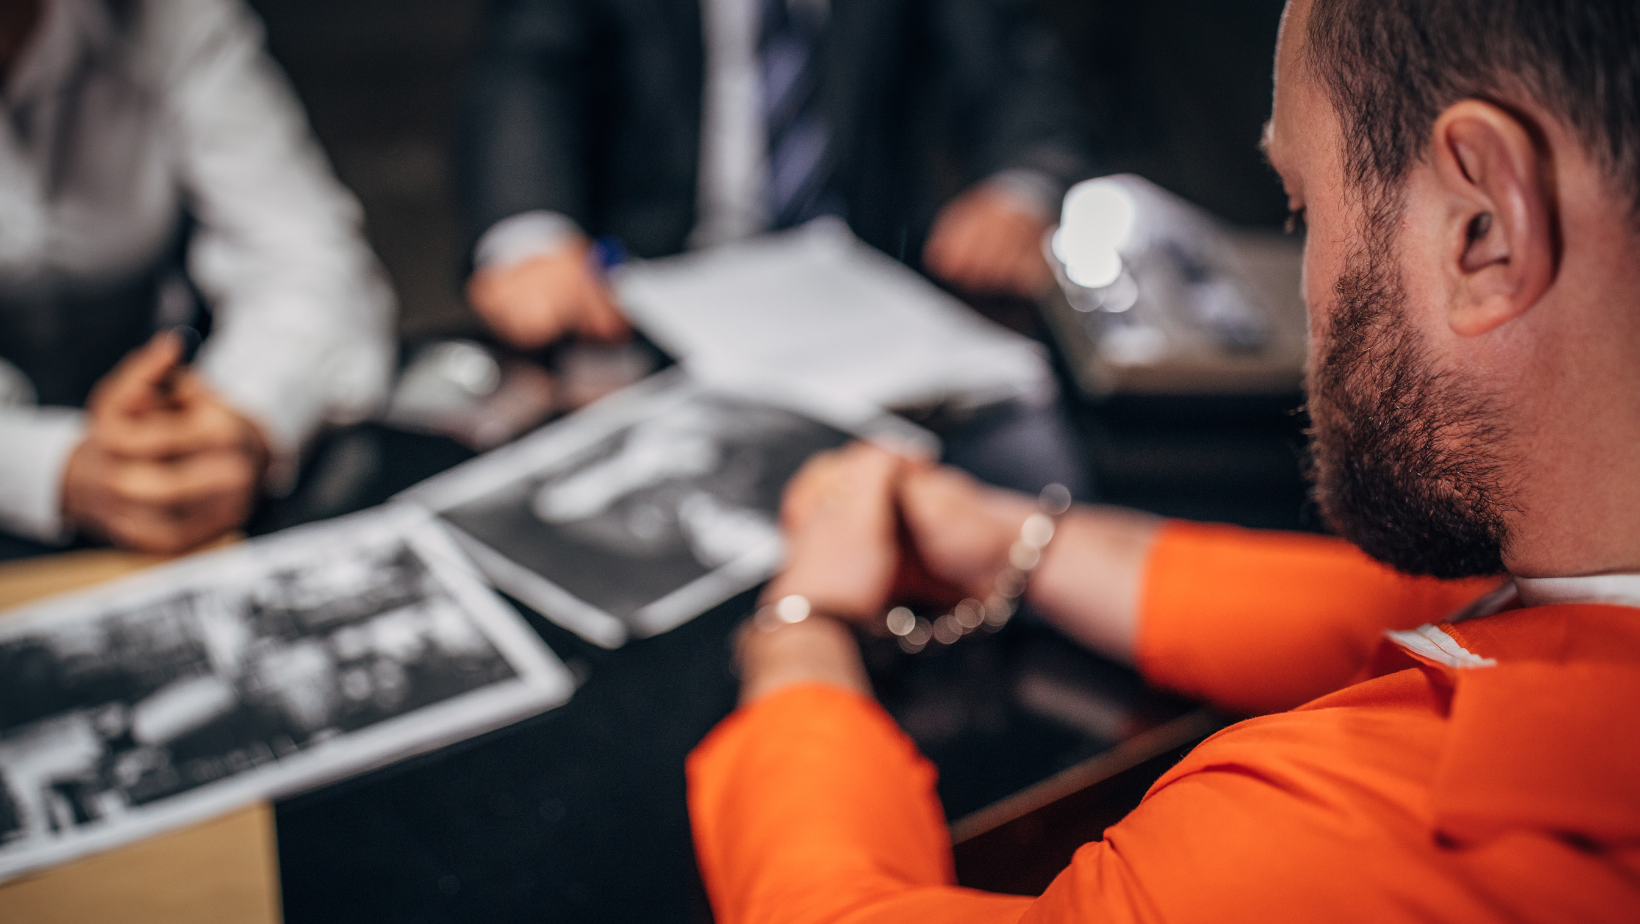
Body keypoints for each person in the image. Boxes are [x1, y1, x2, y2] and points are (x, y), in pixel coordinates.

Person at [686, 0, 1640, 920]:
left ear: (1485, 227)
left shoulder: (1324, 851)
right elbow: (1420, 616)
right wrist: (1011, 540)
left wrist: (801, 627)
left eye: (1303, 210)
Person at [458, 0, 1093, 351]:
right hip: (655, 284)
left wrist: (1020, 187)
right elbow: (529, 67)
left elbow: (1010, 68)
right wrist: (529, 232)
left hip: (871, 279)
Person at [0, 0, 395, 555]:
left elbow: (305, 257)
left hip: (176, 415)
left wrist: (240, 419)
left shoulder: (170, 16)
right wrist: (52, 469)